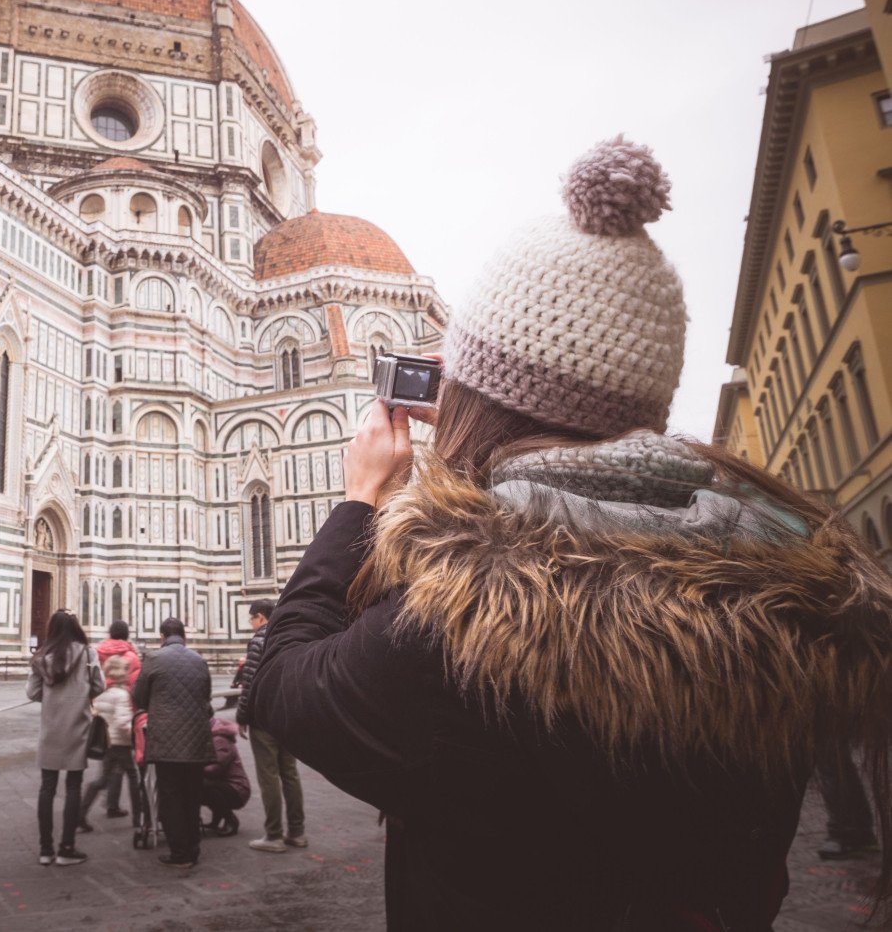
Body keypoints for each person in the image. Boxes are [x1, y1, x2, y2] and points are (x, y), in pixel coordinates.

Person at [251, 136, 892, 930]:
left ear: (479, 401)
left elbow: (282, 683)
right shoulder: (788, 592)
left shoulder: (464, 628)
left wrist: (360, 502)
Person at [131, 617, 213, 869]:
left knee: (170, 796)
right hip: (197, 738)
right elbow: (206, 694)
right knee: (192, 794)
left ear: (162, 636)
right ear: (183, 635)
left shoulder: (154, 659)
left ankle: (180, 852)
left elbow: (139, 696)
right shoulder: (199, 660)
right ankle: (193, 848)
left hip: (166, 740)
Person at [26, 610, 104, 866]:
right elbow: (99, 686)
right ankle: (66, 849)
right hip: (78, 726)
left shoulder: (41, 656)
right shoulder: (87, 652)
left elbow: (32, 692)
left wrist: (51, 697)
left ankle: (45, 850)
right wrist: (81, 694)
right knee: (73, 786)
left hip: (51, 727)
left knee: (47, 788)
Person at [235, 599, 306, 853]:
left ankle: (274, 835)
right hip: (287, 716)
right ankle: (297, 832)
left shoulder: (258, 641)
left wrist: (242, 716)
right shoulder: (288, 637)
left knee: (269, 776)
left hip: (263, 718)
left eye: (252, 618)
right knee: (289, 773)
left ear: (261, 618)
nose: (251, 623)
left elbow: (250, 682)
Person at [77, 654, 141, 831]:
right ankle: (138, 818)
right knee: (134, 778)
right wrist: (135, 733)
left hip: (107, 742)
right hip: (120, 742)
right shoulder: (121, 694)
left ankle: (79, 815)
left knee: (103, 780)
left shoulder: (101, 693)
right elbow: (122, 722)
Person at [200, 717, 251, 836]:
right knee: (203, 784)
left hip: (237, 789)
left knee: (203, 785)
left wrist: (195, 768)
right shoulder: (213, 736)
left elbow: (216, 768)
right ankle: (216, 819)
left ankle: (231, 820)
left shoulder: (219, 739)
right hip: (230, 786)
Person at [96, 620, 141, 690]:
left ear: (110, 634)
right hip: (125, 698)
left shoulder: (97, 653)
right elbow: (135, 684)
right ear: (127, 635)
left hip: (100, 697)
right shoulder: (133, 657)